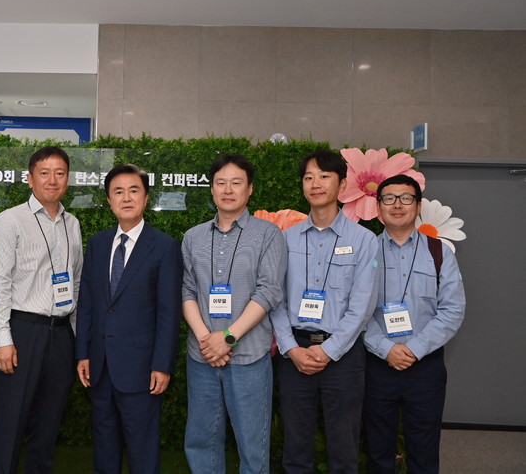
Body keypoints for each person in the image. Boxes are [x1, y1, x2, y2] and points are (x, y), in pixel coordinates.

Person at [271, 149, 379, 474]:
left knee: (344, 448)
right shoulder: (284, 239)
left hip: (344, 356)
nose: (315, 183)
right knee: (295, 446)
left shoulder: (364, 240)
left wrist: (329, 350)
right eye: (308, 177)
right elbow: (275, 298)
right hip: (295, 355)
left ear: (342, 185)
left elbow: (362, 306)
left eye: (324, 176)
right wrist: (291, 348)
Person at [182, 154, 287, 474]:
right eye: (221, 183)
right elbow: (187, 292)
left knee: (253, 443)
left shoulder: (268, 234)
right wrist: (207, 341)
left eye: (236, 183)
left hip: (249, 356)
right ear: (212, 189)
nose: (228, 190)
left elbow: (269, 291)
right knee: (201, 440)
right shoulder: (193, 236)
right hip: (202, 356)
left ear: (250, 188)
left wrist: (227, 338)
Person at [75, 163, 182, 474]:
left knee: (142, 450)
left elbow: (168, 312)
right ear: (109, 200)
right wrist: (83, 353)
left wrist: (162, 364)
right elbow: (87, 303)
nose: (126, 198)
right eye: (118, 192)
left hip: (141, 368)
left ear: (146, 198)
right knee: (104, 447)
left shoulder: (164, 246)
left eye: (133, 190)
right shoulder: (97, 243)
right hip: (100, 365)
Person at [0, 146, 83, 474]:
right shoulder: (10, 220)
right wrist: (2, 338)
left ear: (67, 180)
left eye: (59, 173)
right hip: (23, 331)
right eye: (44, 173)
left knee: (49, 422)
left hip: (61, 334)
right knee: (11, 419)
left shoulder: (72, 223)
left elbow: (76, 281)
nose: (52, 180)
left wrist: (75, 337)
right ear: (30, 179)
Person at [364, 174, 466, 474]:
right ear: (378, 207)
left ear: (418, 206)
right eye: (389, 198)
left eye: (406, 198)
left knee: (424, 449)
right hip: (376, 365)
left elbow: (452, 309)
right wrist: (386, 348)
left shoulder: (439, 252)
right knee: (377, 449)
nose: (397, 205)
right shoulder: (365, 251)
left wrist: (414, 349)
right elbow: (354, 310)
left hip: (425, 367)